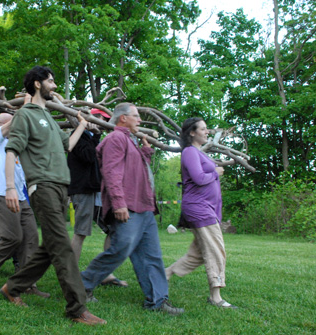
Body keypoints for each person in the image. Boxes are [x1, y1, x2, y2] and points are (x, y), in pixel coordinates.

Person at [0, 65, 106, 326]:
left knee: (49, 247)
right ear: (37, 84)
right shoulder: (25, 115)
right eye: (51, 81)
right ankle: (77, 308)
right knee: (62, 247)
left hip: (61, 188)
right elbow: (12, 150)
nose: (55, 86)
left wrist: (81, 126)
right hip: (43, 186)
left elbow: (68, 145)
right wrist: (11, 187)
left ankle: (12, 287)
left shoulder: (46, 117)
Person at [80, 103, 184, 316]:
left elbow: (135, 171)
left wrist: (145, 152)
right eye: (136, 116)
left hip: (144, 207)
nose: (140, 120)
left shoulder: (130, 141)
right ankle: (81, 286)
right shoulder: (115, 139)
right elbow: (112, 172)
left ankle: (157, 300)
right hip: (128, 207)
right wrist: (119, 203)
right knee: (119, 250)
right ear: (122, 119)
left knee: (152, 256)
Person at [165, 117, 237, 309]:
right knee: (216, 251)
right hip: (199, 209)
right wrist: (216, 172)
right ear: (192, 132)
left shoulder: (198, 152)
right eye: (204, 129)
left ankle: (164, 276)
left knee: (197, 254)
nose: (207, 132)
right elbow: (198, 178)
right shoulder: (189, 152)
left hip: (207, 209)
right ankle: (216, 297)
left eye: (207, 129)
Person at [0, 112, 48, 299]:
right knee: (11, 237)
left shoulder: (19, 145)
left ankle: (27, 283)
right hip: (0, 193)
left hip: (21, 196)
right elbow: (10, 126)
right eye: (12, 123)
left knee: (31, 238)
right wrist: (27, 108)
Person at [68, 108, 127, 287]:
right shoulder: (77, 135)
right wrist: (94, 135)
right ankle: (71, 276)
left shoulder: (97, 138)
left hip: (97, 190)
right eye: (102, 118)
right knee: (81, 232)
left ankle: (105, 274)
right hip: (83, 190)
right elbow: (88, 156)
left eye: (107, 119)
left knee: (111, 229)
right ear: (92, 118)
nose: (104, 122)